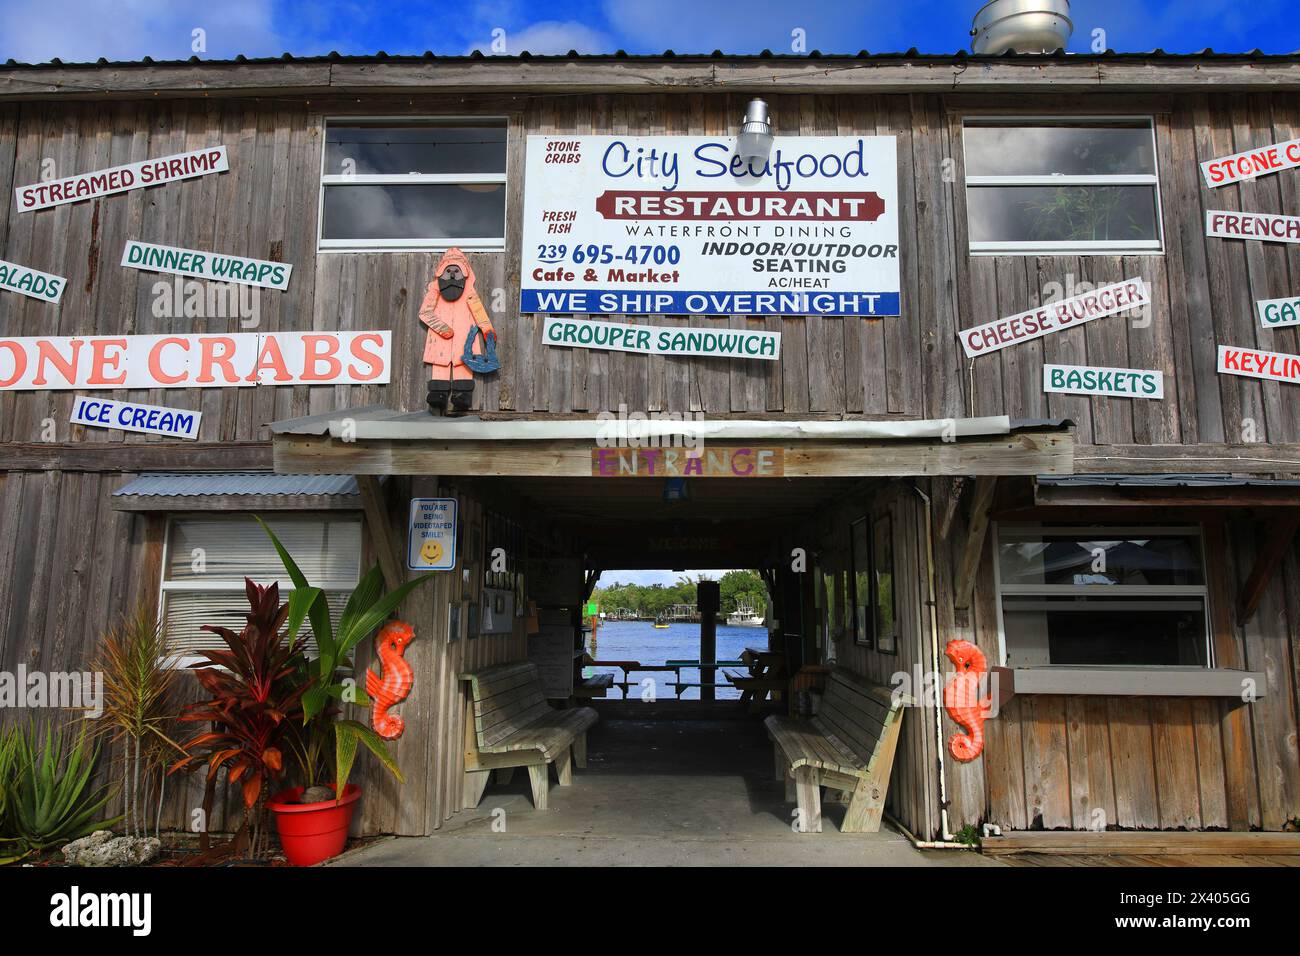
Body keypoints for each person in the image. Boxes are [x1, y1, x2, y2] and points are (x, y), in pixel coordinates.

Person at [417, 247, 497, 415]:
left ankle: (462, 396)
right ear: (441, 273)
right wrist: (442, 328)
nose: (452, 275)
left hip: (464, 339)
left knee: (464, 364)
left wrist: (488, 330)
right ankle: (438, 394)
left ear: (465, 274)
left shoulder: (469, 293)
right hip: (440, 341)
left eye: (456, 271)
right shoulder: (435, 292)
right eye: (448, 271)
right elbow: (424, 312)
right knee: (440, 366)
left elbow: (479, 313)